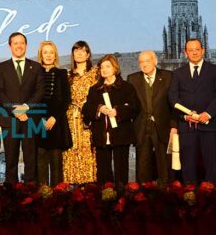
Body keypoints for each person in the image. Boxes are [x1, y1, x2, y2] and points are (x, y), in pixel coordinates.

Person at [0, 32, 44, 184]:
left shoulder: (35, 67)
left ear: (26, 45)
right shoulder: (1, 67)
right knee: (10, 159)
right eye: (15, 43)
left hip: (30, 119)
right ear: (10, 46)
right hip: (9, 120)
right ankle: (11, 192)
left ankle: (30, 192)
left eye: (22, 43)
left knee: (30, 158)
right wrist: (14, 110)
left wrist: (25, 108)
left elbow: (40, 91)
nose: (19, 46)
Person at [82, 54, 140, 186]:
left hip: (121, 135)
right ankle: (104, 198)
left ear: (115, 68)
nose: (104, 70)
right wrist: (99, 108)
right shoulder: (94, 89)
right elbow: (86, 109)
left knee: (121, 171)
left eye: (107, 66)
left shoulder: (126, 87)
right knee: (103, 172)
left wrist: (117, 111)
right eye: (102, 67)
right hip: (101, 136)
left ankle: (121, 199)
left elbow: (135, 107)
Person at [169, 38, 216, 184]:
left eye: (197, 49)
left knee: (212, 166)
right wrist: (185, 116)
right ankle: (190, 198)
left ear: (203, 50)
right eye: (191, 50)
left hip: (210, 125)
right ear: (185, 53)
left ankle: (211, 199)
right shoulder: (177, 73)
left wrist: (208, 113)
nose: (194, 53)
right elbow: (173, 98)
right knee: (188, 166)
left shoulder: (215, 70)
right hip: (187, 127)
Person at [127, 51, 177, 184]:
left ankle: (166, 194)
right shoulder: (132, 79)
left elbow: (174, 105)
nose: (144, 64)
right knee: (143, 165)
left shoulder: (168, 77)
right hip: (141, 128)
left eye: (147, 61)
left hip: (163, 127)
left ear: (155, 61)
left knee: (165, 165)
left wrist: (174, 126)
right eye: (141, 62)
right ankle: (142, 197)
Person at [36, 41, 72, 186]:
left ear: (55, 54)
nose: (49, 55)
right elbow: (32, 98)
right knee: (41, 163)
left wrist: (54, 117)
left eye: (51, 52)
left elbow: (66, 99)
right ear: (41, 55)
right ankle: (42, 196)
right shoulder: (35, 73)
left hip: (57, 124)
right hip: (39, 123)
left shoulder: (62, 73)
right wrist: (41, 118)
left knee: (57, 164)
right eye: (45, 52)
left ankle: (58, 197)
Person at [62, 41, 99, 184]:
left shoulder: (95, 73)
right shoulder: (68, 75)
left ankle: (89, 184)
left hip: (89, 117)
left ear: (88, 54)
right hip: (71, 118)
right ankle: (72, 184)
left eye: (82, 50)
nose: (79, 53)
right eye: (76, 51)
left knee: (88, 148)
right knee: (71, 148)